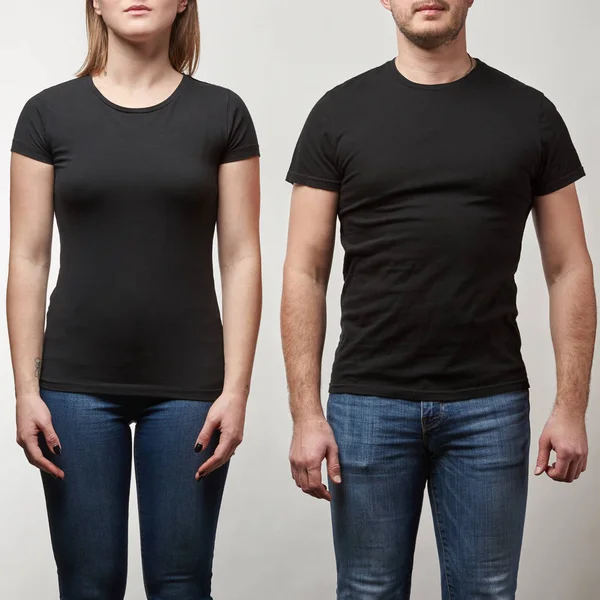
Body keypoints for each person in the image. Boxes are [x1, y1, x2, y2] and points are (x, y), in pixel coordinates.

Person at [281, 0, 595, 598]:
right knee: (368, 590)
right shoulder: (337, 113)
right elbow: (305, 271)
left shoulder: (530, 114)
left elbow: (568, 268)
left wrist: (571, 406)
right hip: (366, 406)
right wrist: (305, 414)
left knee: (486, 591)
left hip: (490, 407)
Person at [8, 1, 261, 598]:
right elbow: (28, 258)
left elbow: (242, 257)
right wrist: (25, 391)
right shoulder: (47, 114)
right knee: (89, 584)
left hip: (189, 390)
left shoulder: (222, 113)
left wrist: (236, 390)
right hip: (73, 387)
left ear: (183, 4)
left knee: (180, 583)